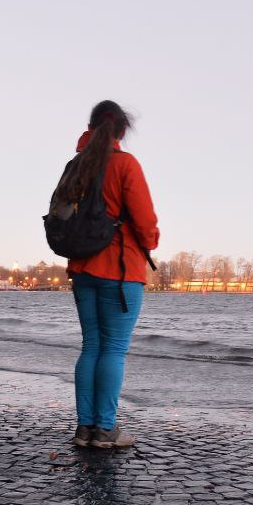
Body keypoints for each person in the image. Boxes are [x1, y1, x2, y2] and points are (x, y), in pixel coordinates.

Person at [64, 100, 160, 449]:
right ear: (121, 131)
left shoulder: (76, 165)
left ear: (90, 128)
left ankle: (85, 428)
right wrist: (151, 242)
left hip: (82, 268)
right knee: (114, 350)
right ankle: (105, 429)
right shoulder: (125, 164)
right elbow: (145, 221)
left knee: (91, 346)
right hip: (120, 270)